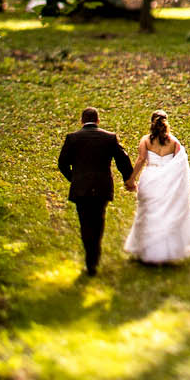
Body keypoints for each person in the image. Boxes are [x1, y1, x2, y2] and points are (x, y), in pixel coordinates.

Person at [56, 106, 134, 276]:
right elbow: (123, 159)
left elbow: (62, 163)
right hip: (101, 187)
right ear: (98, 120)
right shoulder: (109, 137)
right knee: (98, 220)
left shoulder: (72, 138)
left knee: (85, 222)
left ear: (81, 121)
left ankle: (89, 260)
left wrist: (74, 178)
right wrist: (128, 178)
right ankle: (95, 257)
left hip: (81, 188)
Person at [123, 109, 190, 264]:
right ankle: (164, 252)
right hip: (168, 182)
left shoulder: (146, 140)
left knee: (148, 212)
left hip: (150, 179)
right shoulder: (174, 142)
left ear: (151, 122)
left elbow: (141, 160)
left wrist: (131, 179)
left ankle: (146, 251)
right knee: (165, 213)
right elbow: (181, 164)